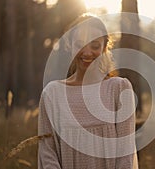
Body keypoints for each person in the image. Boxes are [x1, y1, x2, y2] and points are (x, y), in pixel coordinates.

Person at [38, 13, 139, 169]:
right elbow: (47, 152)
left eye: (95, 46)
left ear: (105, 47)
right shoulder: (52, 94)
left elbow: (125, 155)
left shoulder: (119, 89)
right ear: (68, 45)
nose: (87, 52)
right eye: (79, 44)